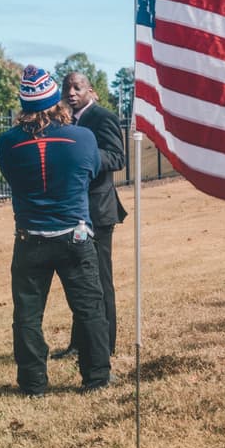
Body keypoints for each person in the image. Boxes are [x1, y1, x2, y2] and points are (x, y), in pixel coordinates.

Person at [0, 65, 112, 395]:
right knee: (90, 308)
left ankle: (33, 383)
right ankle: (97, 377)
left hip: (30, 237)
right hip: (75, 235)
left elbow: (12, 177)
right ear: (55, 101)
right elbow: (90, 172)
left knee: (28, 316)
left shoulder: (7, 143)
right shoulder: (82, 137)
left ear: (23, 106)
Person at [52, 72, 127, 359]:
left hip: (98, 211)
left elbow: (117, 158)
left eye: (77, 87)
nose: (70, 92)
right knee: (79, 281)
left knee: (100, 279)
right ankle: (77, 344)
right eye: (66, 87)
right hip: (71, 211)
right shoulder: (63, 121)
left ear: (90, 91)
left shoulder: (102, 117)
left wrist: (83, 156)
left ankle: (105, 346)